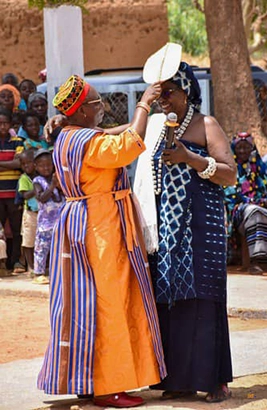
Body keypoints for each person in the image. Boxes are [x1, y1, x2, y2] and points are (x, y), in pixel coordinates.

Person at [37, 74, 166, 407]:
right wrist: (144, 102)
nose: (103, 109)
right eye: (97, 104)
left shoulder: (69, 136)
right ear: (81, 112)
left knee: (89, 303)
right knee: (109, 305)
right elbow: (128, 145)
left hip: (86, 225)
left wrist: (142, 118)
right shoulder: (88, 142)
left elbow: (112, 133)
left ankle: (99, 380)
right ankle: (109, 388)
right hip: (100, 228)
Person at [134, 61, 237, 403]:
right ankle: (177, 378)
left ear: (186, 90)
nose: (163, 99)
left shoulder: (206, 124)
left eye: (168, 92)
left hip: (201, 229)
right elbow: (120, 132)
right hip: (167, 228)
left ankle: (215, 379)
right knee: (170, 298)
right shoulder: (156, 126)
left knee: (204, 299)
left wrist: (190, 158)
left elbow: (229, 174)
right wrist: (72, 126)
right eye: (159, 93)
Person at [224, 132, 267, 274]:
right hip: (239, 210)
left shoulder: (259, 166)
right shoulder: (231, 168)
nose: (242, 151)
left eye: (246, 148)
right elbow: (231, 195)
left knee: (258, 211)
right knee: (254, 212)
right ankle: (255, 262)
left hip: (261, 205)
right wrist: (260, 202)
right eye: (239, 147)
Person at [32, 149, 64, 285]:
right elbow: (42, 198)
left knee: (60, 247)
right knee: (42, 247)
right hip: (46, 223)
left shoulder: (57, 178)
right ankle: (38, 273)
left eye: (49, 165)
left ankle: (58, 271)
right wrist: (52, 186)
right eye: (42, 165)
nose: (46, 168)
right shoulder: (37, 181)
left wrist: (59, 185)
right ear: (36, 167)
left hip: (60, 221)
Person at [0, 107, 24, 271]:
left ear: (10, 124)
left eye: (5, 123)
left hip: (13, 193)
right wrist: (10, 164)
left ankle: (15, 261)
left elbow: (19, 163)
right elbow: (14, 163)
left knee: (17, 230)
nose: (2, 126)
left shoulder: (18, 141)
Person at [18, 150, 38, 273]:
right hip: (30, 214)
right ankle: (30, 266)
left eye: (29, 163)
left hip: (43, 213)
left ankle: (40, 265)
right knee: (28, 240)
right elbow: (25, 195)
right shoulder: (24, 178)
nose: (26, 166)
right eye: (23, 164)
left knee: (41, 240)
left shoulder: (40, 176)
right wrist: (37, 189)